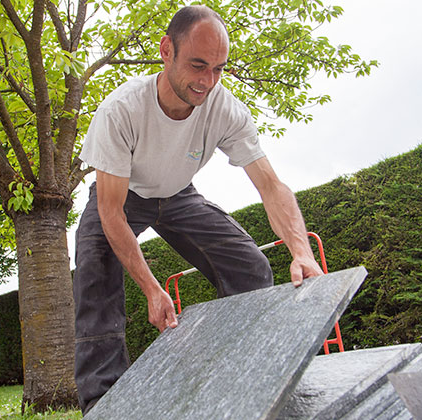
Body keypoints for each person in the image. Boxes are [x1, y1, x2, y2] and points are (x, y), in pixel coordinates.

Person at [72, 5, 323, 413]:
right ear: (166, 50)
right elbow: (111, 211)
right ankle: (106, 404)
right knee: (96, 271)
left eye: (219, 69)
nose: (207, 82)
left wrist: (301, 251)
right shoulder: (121, 111)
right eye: (198, 65)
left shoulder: (225, 109)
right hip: (122, 199)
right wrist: (153, 289)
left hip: (178, 195)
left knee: (250, 266)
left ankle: (241, 377)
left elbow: (271, 186)